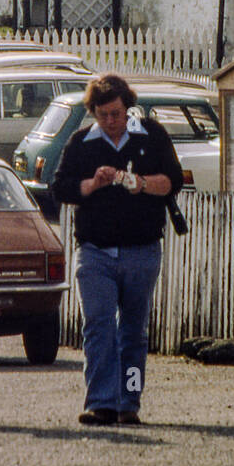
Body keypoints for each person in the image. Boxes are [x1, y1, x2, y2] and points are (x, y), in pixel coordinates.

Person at [50, 73, 183, 426]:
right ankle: (101, 402)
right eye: (103, 114)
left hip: (141, 250)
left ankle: (129, 401)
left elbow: (173, 181)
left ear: (129, 109)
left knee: (134, 333)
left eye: (117, 114)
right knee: (98, 326)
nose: (111, 122)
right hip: (95, 251)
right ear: (93, 112)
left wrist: (139, 183)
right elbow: (59, 187)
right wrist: (91, 184)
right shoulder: (82, 143)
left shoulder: (151, 136)